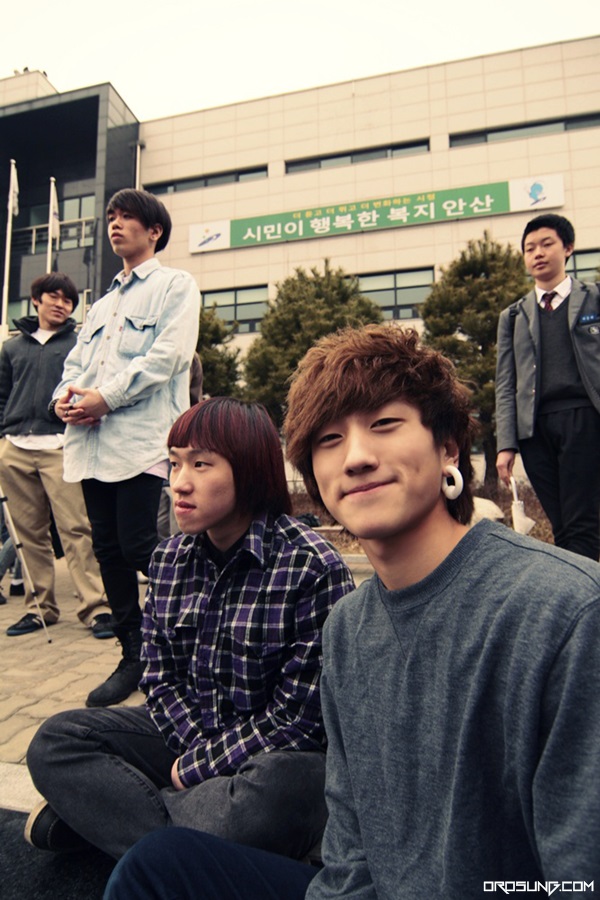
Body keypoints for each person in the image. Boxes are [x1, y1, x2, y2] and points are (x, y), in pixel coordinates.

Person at [105, 324, 600, 899]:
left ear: (448, 447)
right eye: (329, 439)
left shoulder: (564, 611)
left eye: (385, 424)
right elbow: (350, 851)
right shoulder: (348, 625)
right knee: (155, 866)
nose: (357, 457)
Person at [25, 397, 354, 866]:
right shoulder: (169, 559)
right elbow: (158, 679)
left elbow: (300, 720)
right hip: (186, 736)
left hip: (268, 759)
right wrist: (196, 762)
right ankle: (182, 837)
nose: (179, 482)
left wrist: (196, 769)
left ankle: (108, 819)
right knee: (57, 741)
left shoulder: (313, 567)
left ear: (249, 471)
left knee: (282, 789)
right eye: (175, 462)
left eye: (201, 464)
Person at [51, 189, 200, 706]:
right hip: (91, 444)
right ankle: (133, 654)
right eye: (111, 217)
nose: (115, 224)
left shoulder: (175, 285)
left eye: (127, 217)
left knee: (139, 545)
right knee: (108, 550)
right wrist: (65, 401)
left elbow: (170, 356)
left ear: (154, 230)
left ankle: (189, 632)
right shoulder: (101, 304)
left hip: (140, 440)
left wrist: (106, 398)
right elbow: (74, 368)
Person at [0, 273, 110, 637]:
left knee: (76, 528)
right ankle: (39, 609)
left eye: (68, 300)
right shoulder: (12, 348)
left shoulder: (78, 344)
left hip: (62, 447)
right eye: (54, 297)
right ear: (36, 300)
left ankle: (96, 608)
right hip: (15, 449)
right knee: (28, 534)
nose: (61, 305)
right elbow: (2, 396)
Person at [496, 213, 600, 560]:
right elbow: (506, 382)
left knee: (582, 522)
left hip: (584, 418)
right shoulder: (513, 316)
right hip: (534, 431)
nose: (537, 253)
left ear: (568, 248)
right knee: (562, 524)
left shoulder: (594, 298)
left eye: (546, 244)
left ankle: (580, 589)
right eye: (529, 248)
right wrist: (506, 444)